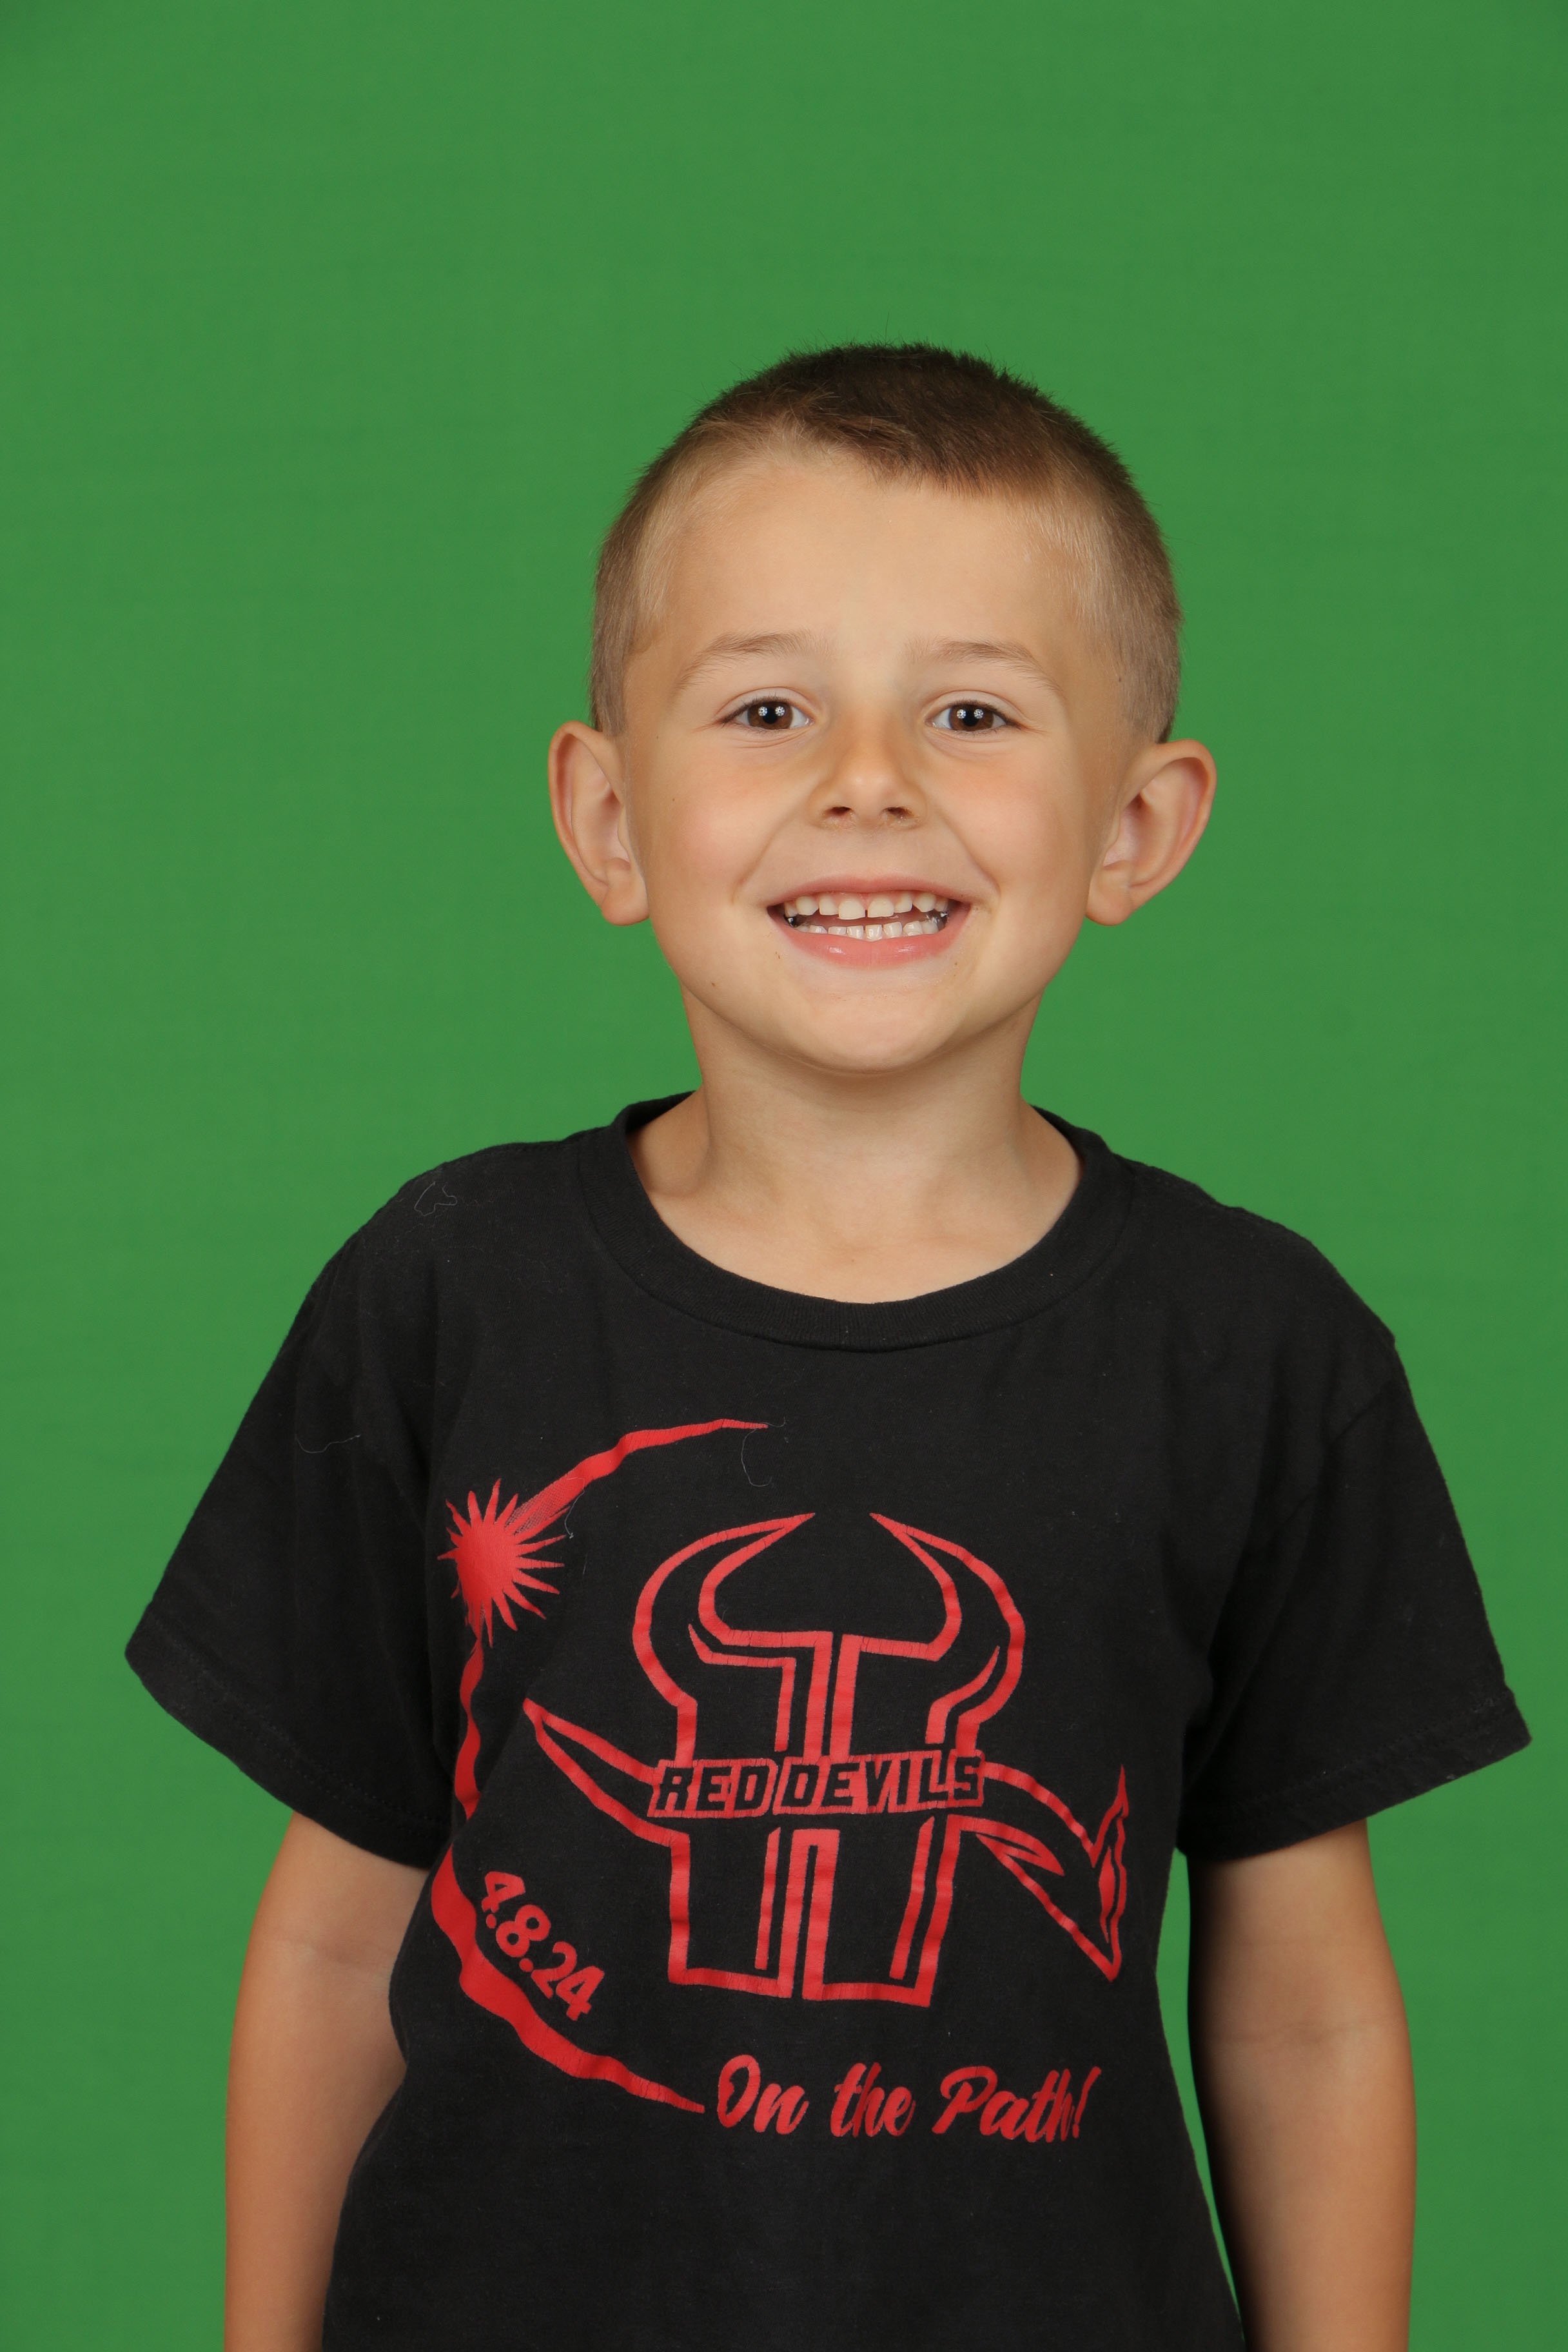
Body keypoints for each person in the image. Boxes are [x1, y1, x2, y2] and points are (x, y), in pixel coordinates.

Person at [128, 343, 1527, 2352]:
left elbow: (1304, 2013)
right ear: (608, 817)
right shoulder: (446, 1295)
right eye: (768, 708)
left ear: (1137, 825)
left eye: (972, 711)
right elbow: (341, 1947)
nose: (868, 780)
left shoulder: (1257, 1354)